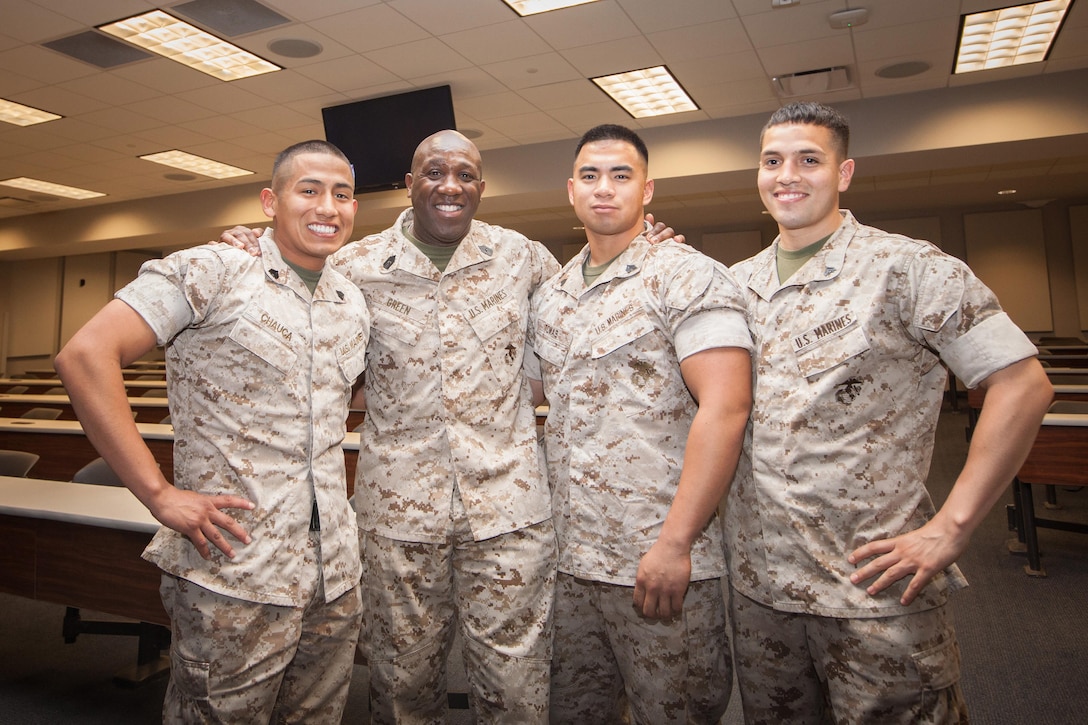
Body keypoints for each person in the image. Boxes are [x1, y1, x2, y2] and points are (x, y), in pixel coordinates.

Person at [220, 129, 681, 723]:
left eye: (464, 175)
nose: (450, 186)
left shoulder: (523, 259)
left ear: (481, 188)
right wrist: (248, 246)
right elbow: (290, 277)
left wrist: (650, 242)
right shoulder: (354, 267)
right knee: (400, 684)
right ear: (410, 185)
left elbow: (595, 285)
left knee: (516, 687)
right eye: (434, 173)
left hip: (509, 516)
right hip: (398, 519)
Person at [725, 100, 1054, 724]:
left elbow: (1023, 385)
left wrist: (952, 529)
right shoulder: (733, 285)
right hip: (761, 589)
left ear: (844, 173)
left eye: (809, 160)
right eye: (772, 161)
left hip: (872, 586)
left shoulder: (908, 268)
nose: (787, 174)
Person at [55, 140, 369, 723]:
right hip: (235, 570)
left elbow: (342, 398)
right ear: (269, 201)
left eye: (343, 194)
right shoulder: (213, 270)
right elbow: (85, 355)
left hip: (334, 576)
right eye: (309, 190)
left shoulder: (351, 300)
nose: (328, 206)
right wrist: (158, 494)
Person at [527, 124, 753, 723]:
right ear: (571, 191)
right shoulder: (550, 296)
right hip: (569, 563)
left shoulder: (687, 276)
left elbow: (726, 407)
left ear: (647, 190)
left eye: (621, 176)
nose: (605, 189)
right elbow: (527, 401)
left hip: (657, 562)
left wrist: (675, 543)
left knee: (673, 711)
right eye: (592, 177)